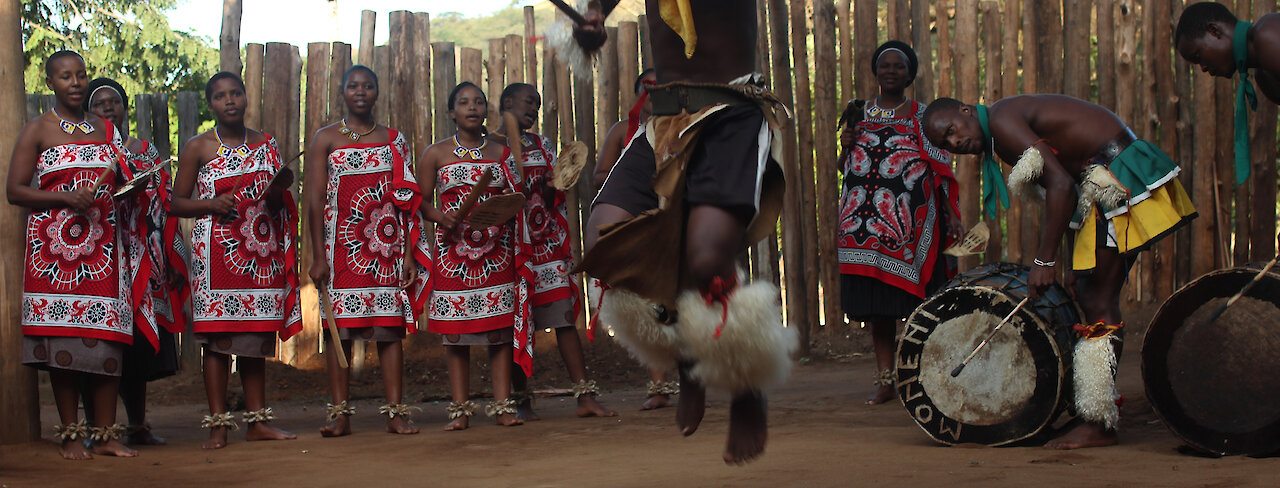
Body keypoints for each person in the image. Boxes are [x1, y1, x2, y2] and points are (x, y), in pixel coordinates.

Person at [562, 0, 797, 464]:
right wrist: (593, 17)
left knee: (707, 258)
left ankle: (747, 387)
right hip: (663, 121)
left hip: (730, 114)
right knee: (610, 241)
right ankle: (687, 358)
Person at [921, 94, 1197, 449]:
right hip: (1103, 179)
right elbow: (1065, 184)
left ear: (964, 110)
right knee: (1091, 291)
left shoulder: (1003, 121)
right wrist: (1071, 262)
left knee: (1098, 298)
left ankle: (1098, 422)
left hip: (1115, 177)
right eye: (947, 144)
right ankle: (1096, 412)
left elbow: (1063, 185)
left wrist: (1045, 261)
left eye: (951, 131)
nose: (955, 142)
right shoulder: (1002, 129)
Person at [7, 50, 138, 460]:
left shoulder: (106, 129)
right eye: (66, 77)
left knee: (107, 340)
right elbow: (15, 191)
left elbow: (123, 179)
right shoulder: (38, 130)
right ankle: (69, 433)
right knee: (63, 344)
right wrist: (63, 196)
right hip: (53, 252)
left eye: (81, 75)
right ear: (51, 84)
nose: (76, 83)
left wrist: (132, 188)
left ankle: (105, 435)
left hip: (104, 247)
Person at [171, 72, 301, 449]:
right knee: (216, 340)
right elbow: (175, 202)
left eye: (235, 94)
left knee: (255, 337)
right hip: (214, 256)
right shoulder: (198, 147)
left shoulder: (266, 144)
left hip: (260, 254)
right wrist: (210, 204)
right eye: (220, 96)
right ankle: (218, 423)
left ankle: (258, 421)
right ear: (210, 104)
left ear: (245, 98)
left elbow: (276, 203)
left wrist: (278, 190)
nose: (229, 101)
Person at [305, 65, 432, 437]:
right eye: (353, 86)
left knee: (389, 330)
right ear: (342, 92)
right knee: (339, 331)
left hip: (387, 247)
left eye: (368, 86)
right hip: (340, 247)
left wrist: (409, 253)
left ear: (377, 92)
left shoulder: (394, 139)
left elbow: (406, 199)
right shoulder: (325, 139)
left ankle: (395, 412)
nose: (360, 92)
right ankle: (340, 414)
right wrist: (317, 255)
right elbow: (314, 200)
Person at [836, 41, 961, 406]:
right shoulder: (857, 113)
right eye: (885, 65)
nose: (891, 71)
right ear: (876, 71)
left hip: (911, 228)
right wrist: (845, 146)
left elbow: (940, 167)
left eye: (899, 66)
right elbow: (844, 168)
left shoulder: (924, 117)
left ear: (910, 74)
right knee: (878, 309)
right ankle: (886, 380)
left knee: (923, 305)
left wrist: (953, 214)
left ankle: (927, 376)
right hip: (862, 226)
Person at [494, 82, 615, 420]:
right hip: (507, 249)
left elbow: (551, 200)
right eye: (527, 102)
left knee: (564, 319)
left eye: (537, 104)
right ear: (507, 102)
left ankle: (584, 395)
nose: (533, 109)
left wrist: (552, 187)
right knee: (517, 322)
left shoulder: (543, 145)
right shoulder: (490, 146)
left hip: (545, 246)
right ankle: (521, 399)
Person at [80, 77, 189, 446]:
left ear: (124, 107)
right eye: (100, 103)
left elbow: (168, 202)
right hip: (99, 256)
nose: (108, 108)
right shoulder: (85, 150)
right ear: (89, 111)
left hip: (146, 255)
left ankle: (137, 424)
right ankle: (97, 428)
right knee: (97, 345)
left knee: (139, 344)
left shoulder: (146, 150)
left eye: (114, 102)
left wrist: (173, 258)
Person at [419, 82, 530, 431]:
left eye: (479, 102)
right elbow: (418, 201)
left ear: (486, 110)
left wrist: (503, 208)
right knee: (456, 335)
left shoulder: (501, 152)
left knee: (498, 332)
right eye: (464, 103)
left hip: (496, 252)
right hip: (453, 254)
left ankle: (502, 406)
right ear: (452, 112)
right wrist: (441, 217)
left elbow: (516, 196)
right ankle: (460, 410)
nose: (472, 107)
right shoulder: (435, 154)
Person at [592, 69, 678, 411]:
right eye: (648, 84)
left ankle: (692, 375)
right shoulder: (621, 132)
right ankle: (658, 385)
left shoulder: (679, 125)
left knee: (677, 296)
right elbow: (601, 173)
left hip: (670, 217)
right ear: (638, 91)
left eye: (662, 83)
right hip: (633, 217)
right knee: (643, 299)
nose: (654, 88)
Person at [1175, 2, 1280, 188]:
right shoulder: (1263, 77)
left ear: (1214, 31)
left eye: (1198, 56)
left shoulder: (1267, 34)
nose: (1204, 68)